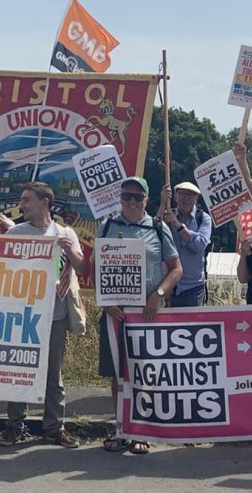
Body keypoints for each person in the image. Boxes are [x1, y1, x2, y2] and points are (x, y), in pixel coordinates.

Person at [94, 177, 182, 455]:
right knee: (118, 375)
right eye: (126, 197)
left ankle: (141, 430)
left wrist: (158, 293)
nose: (131, 202)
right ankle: (121, 427)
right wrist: (104, 301)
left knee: (146, 374)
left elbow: (176, 268)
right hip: (116, 311)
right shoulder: (107, 226)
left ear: (146, 199)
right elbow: (95, 268)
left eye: (137, 197)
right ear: (119, 198)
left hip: (147, 312)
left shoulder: (158, 227)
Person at [0, 182, 86, 449]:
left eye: (26, 200)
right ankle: (14, 425)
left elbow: (82, 267)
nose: (21, 205)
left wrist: (70, 249)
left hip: (55, 315)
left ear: (44, 202)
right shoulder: (16, 234)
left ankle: (53, 427)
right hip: (22, 316)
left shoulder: (65, 232)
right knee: (19, 367)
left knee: (53, 373)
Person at [156, 181, 212, 307]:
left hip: (193, 287)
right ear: (176, 196)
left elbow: (199, 245)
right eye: (183, 194)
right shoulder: (167, 215)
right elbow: (154, 234)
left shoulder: (203, 218)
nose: (186, 198)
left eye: (191, 195)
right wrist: (163, 203)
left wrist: (177, 225)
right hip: (168, 286)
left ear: (196, 199)